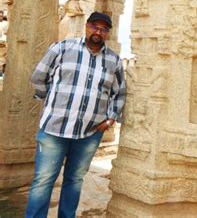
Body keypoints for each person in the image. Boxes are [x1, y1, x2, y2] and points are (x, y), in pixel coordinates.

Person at [25, 12, 126, 218]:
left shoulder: (113, 61)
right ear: (86, 26)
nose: (98, 32)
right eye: (94, 27)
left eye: (103, 29)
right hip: (54, 130)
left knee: (75, 180)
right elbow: (38, 78)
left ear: (108, 33)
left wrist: (111, 118)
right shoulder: (61, 48)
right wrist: (53, 103)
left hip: (89, 134)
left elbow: (119, 93)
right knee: (43, 181)